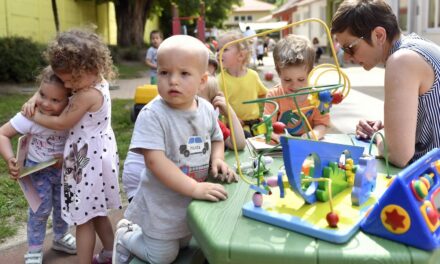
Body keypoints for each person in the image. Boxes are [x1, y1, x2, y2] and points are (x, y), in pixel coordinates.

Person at [113, 35, 237, 264]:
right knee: (163, 257)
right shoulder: (153, 114)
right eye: (164, 72)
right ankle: (125, 235)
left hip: (189, 201)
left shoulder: (207, 109)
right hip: (161, 204)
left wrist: (217, 159)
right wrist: (194, 189)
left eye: (184, 73)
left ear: (202, 81)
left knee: (185, 244)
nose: (173, 81)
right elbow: (154, 162)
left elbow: (217, 138)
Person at [22, 29, 121, 264]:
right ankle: (110, 253)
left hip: (84, 161)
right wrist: (34, 97)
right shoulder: (91, 80)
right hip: (95, 155)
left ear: (90, 69)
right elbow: (53, 82)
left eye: (69, 80)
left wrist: (32, 116)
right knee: (96, 211)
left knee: (82, 217)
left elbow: (61, 122)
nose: (65, 85)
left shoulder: (87, 94)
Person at [331, 0, 440, 167]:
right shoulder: (418, 46)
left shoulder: (402, 60)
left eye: (349, 48)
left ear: (379, 35)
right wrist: (390, 130)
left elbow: (397, 154)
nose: (346, 58)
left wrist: (380, 135)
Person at [0, 66, 76, 264]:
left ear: (69, 99)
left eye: (55, 100)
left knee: (63, 206)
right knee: (39, 210)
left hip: (63, 171)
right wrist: (10, 159)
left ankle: (61, 237)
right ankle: (34, 249)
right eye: (42, 94)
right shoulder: (30, 116)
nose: (46, 104)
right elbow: (2, 134)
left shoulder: (73, 116)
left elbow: (81, 143)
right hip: (37, 171)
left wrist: (68, 157)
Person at [263, 34, 330, 143]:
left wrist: (313, 135)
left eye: (301, 79)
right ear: (279, 73)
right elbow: (268, 127)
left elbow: (323, 125)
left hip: (308, 146)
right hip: (280, 146)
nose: (295, 86)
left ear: (310, 73)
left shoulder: (318, 97)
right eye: (288, 80)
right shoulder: (274, 95)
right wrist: (278, 138)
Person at [217, 30, 268, 137]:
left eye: (224, 49)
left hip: (257, 126)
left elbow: (264, 95)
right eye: (218, 49)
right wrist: (232, 118)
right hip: (234, 128)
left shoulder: (253, 76)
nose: (219, 53)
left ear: (240, 55)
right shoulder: (219, 79)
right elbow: (218, 105)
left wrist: (266, 113)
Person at [198, 75, 246, 150]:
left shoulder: (214, 124)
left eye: (198, 101)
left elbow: (239, 145)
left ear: (213, 104)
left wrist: (230, 113)